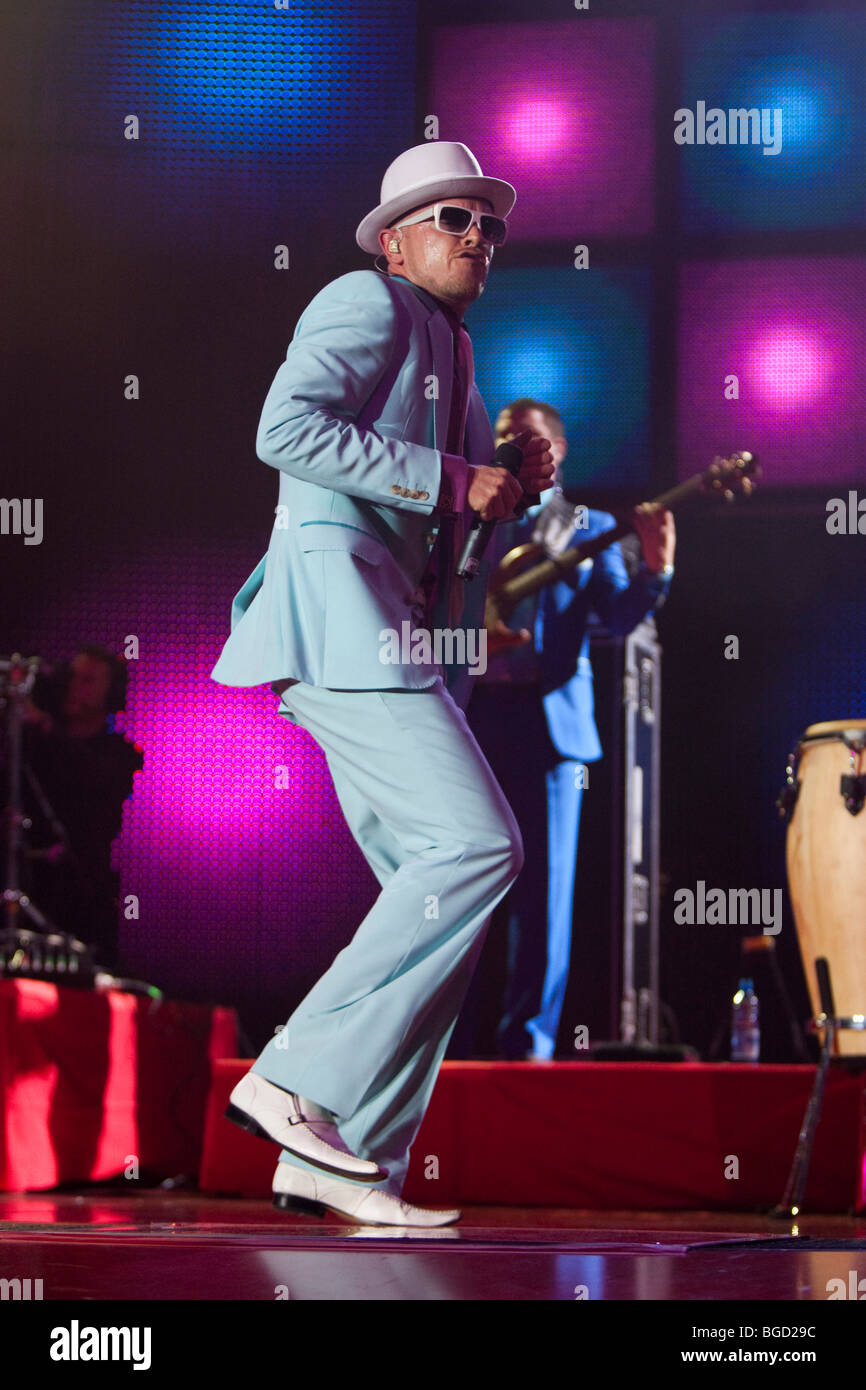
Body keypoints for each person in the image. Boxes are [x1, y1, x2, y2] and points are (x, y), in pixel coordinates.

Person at [210, 143, 554, 1227]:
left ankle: (343, 1154)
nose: (476, 238)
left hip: (391, 635)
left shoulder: (451, 351)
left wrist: (504, 505)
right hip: (337, 619)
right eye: (452, 218)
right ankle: (295, 1077)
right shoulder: (367, 302)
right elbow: (285, 429)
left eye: (487, 225)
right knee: (479, 847)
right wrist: (458, 478)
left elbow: (439, 543)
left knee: (446, 889)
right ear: (396, 237)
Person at [451, 398, 675, 1061]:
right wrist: (470, 649)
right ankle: (445, 1045)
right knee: (455, 890)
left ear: (560, 449)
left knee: (545, 895)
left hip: (552, 731)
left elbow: (621, 615)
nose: (515, 449)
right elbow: (425, 619)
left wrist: (657, 565)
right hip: (471, 720)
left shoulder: (592, 527)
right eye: (502, 439)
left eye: (530, 439)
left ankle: (529, 1047)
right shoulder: (463, 522)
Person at [18, 645, 143, 971]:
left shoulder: (122, 756)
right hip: (28, 887)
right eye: (72, 678)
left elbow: (92, 778)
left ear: (111, 693)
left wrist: (44, 725)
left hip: (85, 894)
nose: (75, 688)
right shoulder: (29, 745)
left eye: (88, 680)